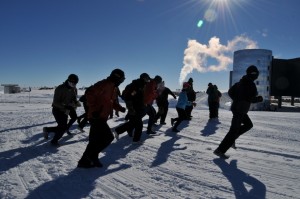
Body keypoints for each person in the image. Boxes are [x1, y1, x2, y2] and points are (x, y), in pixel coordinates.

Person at [77, 69, 126, 168]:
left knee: (94, 140)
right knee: (108, 137)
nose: (121, 82)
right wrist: (94, 109)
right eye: (121, 80)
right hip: (96, 116)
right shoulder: (104, 84)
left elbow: (111, 102)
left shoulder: (114, 88)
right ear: (116, 78)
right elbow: (89, 94)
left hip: (102, 116)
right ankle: (89, 156)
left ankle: (87, 160)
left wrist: (120, 108)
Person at [214, 65, 263, 159]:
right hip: (240, 110)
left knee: (248, 125)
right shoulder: (250, 84)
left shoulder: (240, 82)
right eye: (256, 73)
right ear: (254, 74)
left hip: (238, 109)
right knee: (233, 131)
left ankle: (232, 139)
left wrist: (237, 99)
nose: (256, 75)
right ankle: (220, 150)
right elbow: (251, 98)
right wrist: (259, 99)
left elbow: (230, 92)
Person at [43, 74, 79, 146]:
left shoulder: (74, 89)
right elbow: (55, 102)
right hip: (58, 109)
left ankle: (64, 129)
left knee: (74, 117)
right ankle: (53, 140)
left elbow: (74, 98)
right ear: (68, 80)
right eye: (72, 82)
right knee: (62, 127)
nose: (73, 84)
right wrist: (65, 107)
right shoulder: (60, 88)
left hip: (68, 108)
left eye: (75, 83)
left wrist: (76, 102)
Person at [114, 73, 150, 144]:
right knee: (138, 124)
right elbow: (129, 97)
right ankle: (136, 140)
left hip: (138, 107)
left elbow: (139, 97)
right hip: (135, 108)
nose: (148, 80)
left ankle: (118, 130)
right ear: (144, 78)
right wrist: (131, 109)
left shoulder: (141, 85)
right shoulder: (137, 86)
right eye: (147, 78)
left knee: (133, 123)